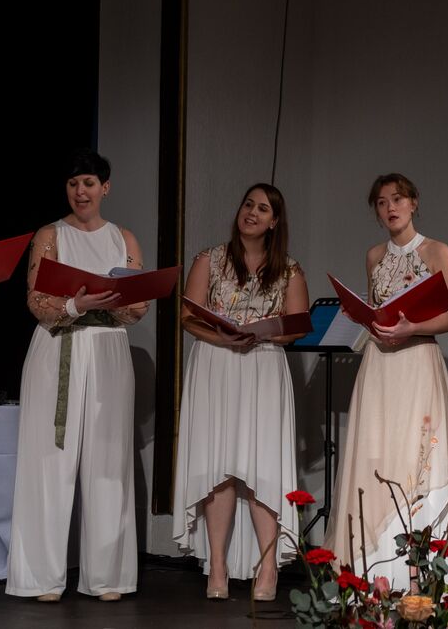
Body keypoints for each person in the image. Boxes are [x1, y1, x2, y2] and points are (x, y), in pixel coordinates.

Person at [6, 150, 146, 603]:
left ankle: (107, 576)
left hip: (108, 349)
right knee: (50, 460)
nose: (80, 192)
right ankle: (41, 577)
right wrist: (76, 304)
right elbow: (36, 300)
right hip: (60, 346)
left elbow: (137, 306)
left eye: (88, 183)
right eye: (73, 184)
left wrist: (116, 300)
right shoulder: (50, 235)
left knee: (108, 462)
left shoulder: (124, 237)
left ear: (105, 188)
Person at [325, 173, 448, 589]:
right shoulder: (374, 255)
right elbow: (378, 312)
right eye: (382, 202)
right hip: (380, 364)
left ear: (414, 202)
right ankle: (374, 574)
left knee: (417, 457)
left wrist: (412, 328)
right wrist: (361, 317)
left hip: (417, 360)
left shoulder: (437, 250)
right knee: (377, 454)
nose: (390, 208)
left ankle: (419, 579)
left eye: (398, 199)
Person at [173, 183, 310, 602]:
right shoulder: (209, 259)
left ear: (274, 221)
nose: (251, 212)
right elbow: (187, 316)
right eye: (248, 204)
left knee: (262, 468)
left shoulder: (289, 269)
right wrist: (222, 337)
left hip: (263, 365)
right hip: (215, 364)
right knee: (219, 466)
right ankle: (217, 565)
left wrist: (265, 333)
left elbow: (298, 326)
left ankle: (267, 568)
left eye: (262, 208)